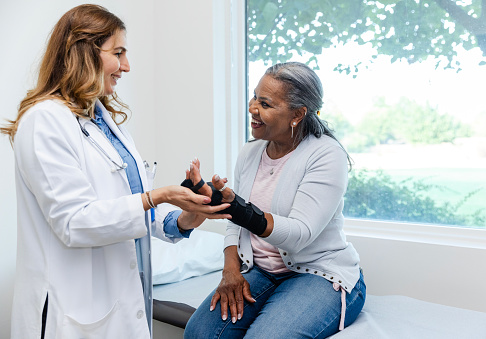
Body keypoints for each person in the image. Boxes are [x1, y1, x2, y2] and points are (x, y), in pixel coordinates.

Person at [0, 4, 229, 339]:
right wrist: (157, 195)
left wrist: (185, 218)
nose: (126, 66)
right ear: (83, 52)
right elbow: (74, 222)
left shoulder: (101, 119)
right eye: (118, 52)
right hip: (72, 312)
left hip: (121, 305)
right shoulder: (44, 120)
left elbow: (125, 206)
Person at [183, 62, 366, 338]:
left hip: (318, 273)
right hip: (262, 271)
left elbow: (298, 234)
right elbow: (236, 224)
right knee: (200, 334)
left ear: (298, 114)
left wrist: (236, 207)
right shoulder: (250, 152)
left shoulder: (326, 155)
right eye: (255, 96)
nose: (252, 108)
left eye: (265, 104)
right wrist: (230, 270)